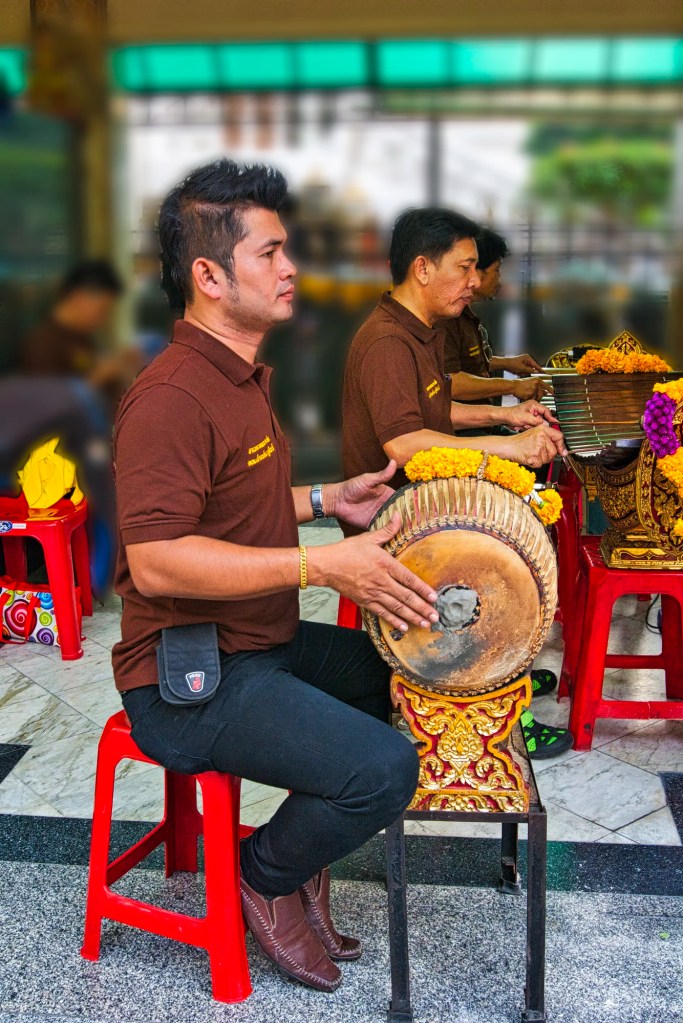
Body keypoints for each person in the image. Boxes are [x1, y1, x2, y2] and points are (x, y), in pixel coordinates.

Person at [112, 159, 442, 994]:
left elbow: (235, 506)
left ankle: (301, 866)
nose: (290, 268)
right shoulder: (171, 398)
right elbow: (154, 556)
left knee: (394, 679)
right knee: (383, 769)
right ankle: (260, 874)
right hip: (189, 677)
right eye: (271, 253)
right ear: (210, 275)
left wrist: (331, 498)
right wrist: (319, 561)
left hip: (258, 641)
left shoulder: (241, 379)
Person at [342, 207, 573, 759]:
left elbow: (437, 405)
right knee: (503, 573)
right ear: (423, 268)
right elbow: (404, 445)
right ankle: (493, 702)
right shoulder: (387, 342)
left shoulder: (418, 332)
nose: (476, 281)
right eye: (466, 267)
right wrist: (508, 447)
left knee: (519, 528)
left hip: (421, 503)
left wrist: (509, 417)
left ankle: (503, 685)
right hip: (395, 513)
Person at [442, 226, 550, 404]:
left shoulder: (465, 313)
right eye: (497, 270)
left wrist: (507, 363)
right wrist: (512, 386)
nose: (499, 279)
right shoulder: (448, 317)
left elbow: (468, 362)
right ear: (474, 271)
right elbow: (452, 381)